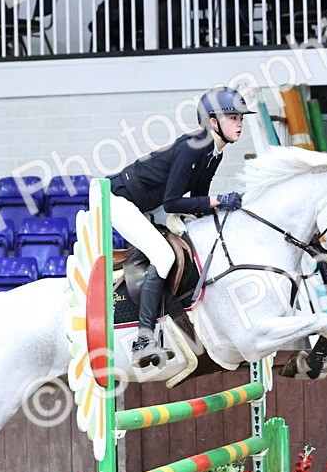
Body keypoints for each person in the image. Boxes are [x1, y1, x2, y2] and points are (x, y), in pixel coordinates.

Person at [108, 86, 254, 367]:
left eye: (241, 118)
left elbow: (197, 199)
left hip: (151, 204)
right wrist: (221, 199)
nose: (239, 123)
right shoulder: (192, 147)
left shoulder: (214, 153)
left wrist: (221, 205)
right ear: (213, 122)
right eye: (233, 117)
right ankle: (144, 339)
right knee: (163, 256)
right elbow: (174, 202)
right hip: (119, 200)